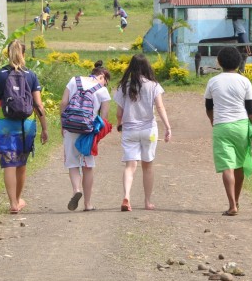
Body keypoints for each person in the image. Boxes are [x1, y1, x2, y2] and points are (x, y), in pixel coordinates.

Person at [0, 40, 48, 214]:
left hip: (5, 126)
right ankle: (19, 198)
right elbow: (38, 106)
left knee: (9, 164)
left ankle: (13, 203)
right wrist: (44, 129)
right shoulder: (31, 75)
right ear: (24, 54)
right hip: (26, 126)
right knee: (21, 164)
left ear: (7, 54)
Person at [204, 46, 252, 216]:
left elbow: (209, 107)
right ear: (238, 63)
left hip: (222, 127)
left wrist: (213, 121)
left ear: (219, 62)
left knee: (227, 167)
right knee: (239, 166)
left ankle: (232, 205)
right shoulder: (244, 81)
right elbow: (251, 109)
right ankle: (236, 200)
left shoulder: (213, 81)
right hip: (241, 126)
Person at [114, 54, 172, 211]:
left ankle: (126, 196)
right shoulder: (153, 86)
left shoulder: (123, 86)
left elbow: (119, 113)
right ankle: (147, 201)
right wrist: (167, 127)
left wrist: (120, 124)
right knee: (148, 166)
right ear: (147, 67)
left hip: (129, 130)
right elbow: (160, 107)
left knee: (130, 166)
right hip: (149, 131)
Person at [60, 66, 112, 211]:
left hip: (70, 127)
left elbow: (63, 103)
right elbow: (105, 117)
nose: (105, 84)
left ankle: (76, 190)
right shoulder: (102, 90)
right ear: (102, 76)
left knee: (72, 163)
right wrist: (98, 134)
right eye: (106, 81)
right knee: (87, 166)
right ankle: (88, 204)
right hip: (88, 130)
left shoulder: (73, 80)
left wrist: (62, 124)